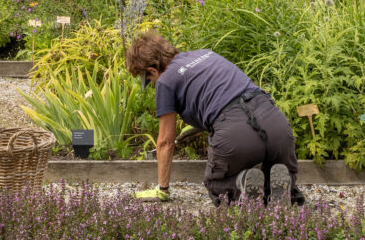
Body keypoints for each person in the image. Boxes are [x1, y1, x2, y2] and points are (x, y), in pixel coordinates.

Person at [125, 31, 304, 205]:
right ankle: (280, 187)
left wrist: (162, 189)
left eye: (148, 80)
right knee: (279, 171)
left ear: (152, 70)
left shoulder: (165, 81)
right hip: (274, 122)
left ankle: (242, 184)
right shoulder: (206, 54)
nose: (152, 84)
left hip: (235, 134)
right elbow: (225, 94)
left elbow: (165, 142)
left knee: (216, 185)